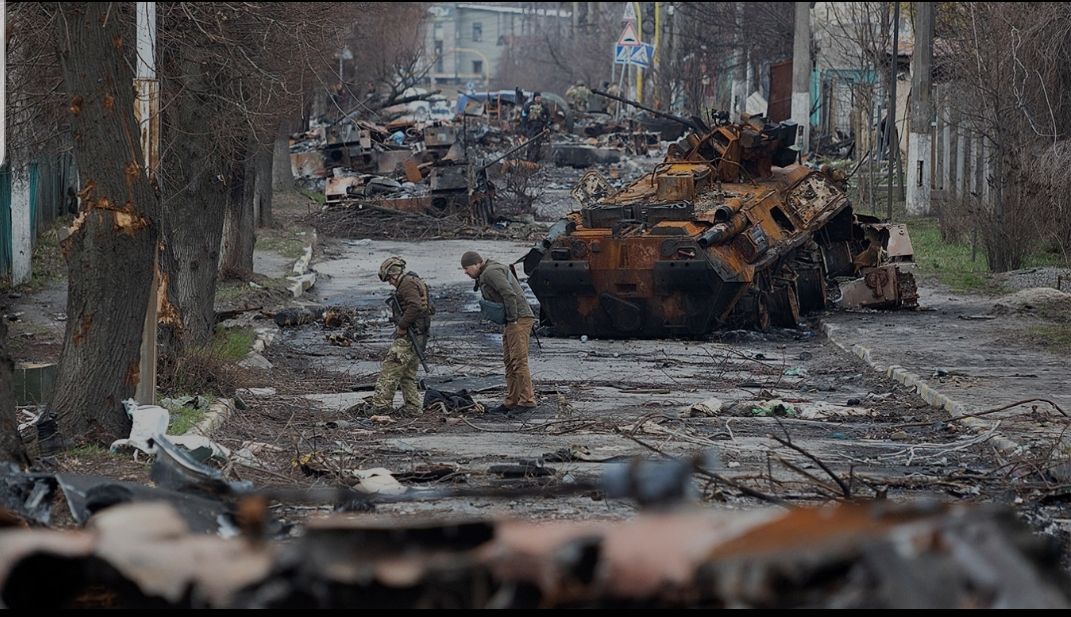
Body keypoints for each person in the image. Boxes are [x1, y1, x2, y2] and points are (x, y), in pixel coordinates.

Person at [355, 256, 434, 416]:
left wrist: (402, 326)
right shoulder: (414, 280)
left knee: (390, 369)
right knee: (407, 374)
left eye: (390, 279)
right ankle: (412, 407)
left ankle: (381, 406)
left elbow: (415, 306)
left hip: (410, 335)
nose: (390, 282)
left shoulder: (406, 284)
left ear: (394, 274)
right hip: (419, 335)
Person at [461, 251, 537, 415]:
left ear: (476, 264)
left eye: (466, 268)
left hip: (518, 319)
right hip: (512, 321)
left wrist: (513, 319)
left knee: (518, 361)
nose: (465, 272)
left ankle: (527, 401)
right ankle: (512, 401)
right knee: (509, 361)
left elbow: (508, 293)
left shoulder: (491, 272)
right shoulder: (486, 272)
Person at [521, 92, 548, 161]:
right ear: (534, 98)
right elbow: (524, 116)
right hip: (531, 127)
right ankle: (528, 158)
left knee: (538, 144)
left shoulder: (543, 106)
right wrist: (523, 127)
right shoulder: (528, 106)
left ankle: (535, 159)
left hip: (540, 127)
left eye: (539, 97)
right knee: (531, 143)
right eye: (537, 97)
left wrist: (546, 125)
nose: (538, 99)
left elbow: (548, 116)